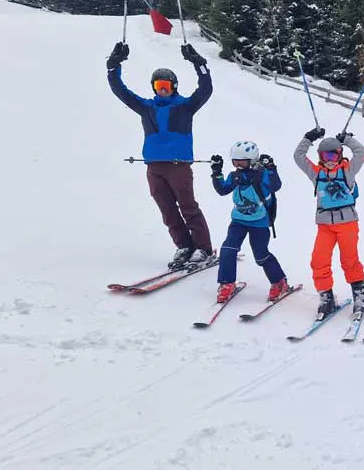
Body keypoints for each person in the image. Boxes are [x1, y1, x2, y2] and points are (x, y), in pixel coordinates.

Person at [106, 41, 214, 269]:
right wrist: (114, 65)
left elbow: (206, 89)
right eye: (158, 85)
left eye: (165, 85)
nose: (162, 89)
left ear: (174, 86)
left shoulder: (185, 106)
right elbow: (120, 90)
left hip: (178, 165)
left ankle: (203, 248)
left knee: (188, 206)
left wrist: (198, 63)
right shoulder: (147, 107)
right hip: (154, 167)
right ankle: (184, 245)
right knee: (166, 208)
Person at [294, 127, 364, 318]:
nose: (329, 160)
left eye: (333, 156)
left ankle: (359, 295)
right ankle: (326, 298)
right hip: (325, 225)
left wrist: (347, 139)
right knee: (318, 260)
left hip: (347, 224)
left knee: (349, 260)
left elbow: (362, 153)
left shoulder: (348, 171)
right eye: (325, 156)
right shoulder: (316, 173)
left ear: (339, 155)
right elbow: (298, 156)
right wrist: (308, 137)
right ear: (319, 156)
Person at [210, 142, 288, 303]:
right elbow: (223, 190)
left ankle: (279, 282)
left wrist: (271, 168)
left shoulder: (262, 174)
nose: (237, 165)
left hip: (259, 222)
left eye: (242, 161)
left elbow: (276, 186)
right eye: (235, 161)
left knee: (261, 255)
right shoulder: (235, 175)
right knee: (227, 250)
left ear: (252, 160)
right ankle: (227, 284)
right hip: (238, 220)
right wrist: (216, 173)